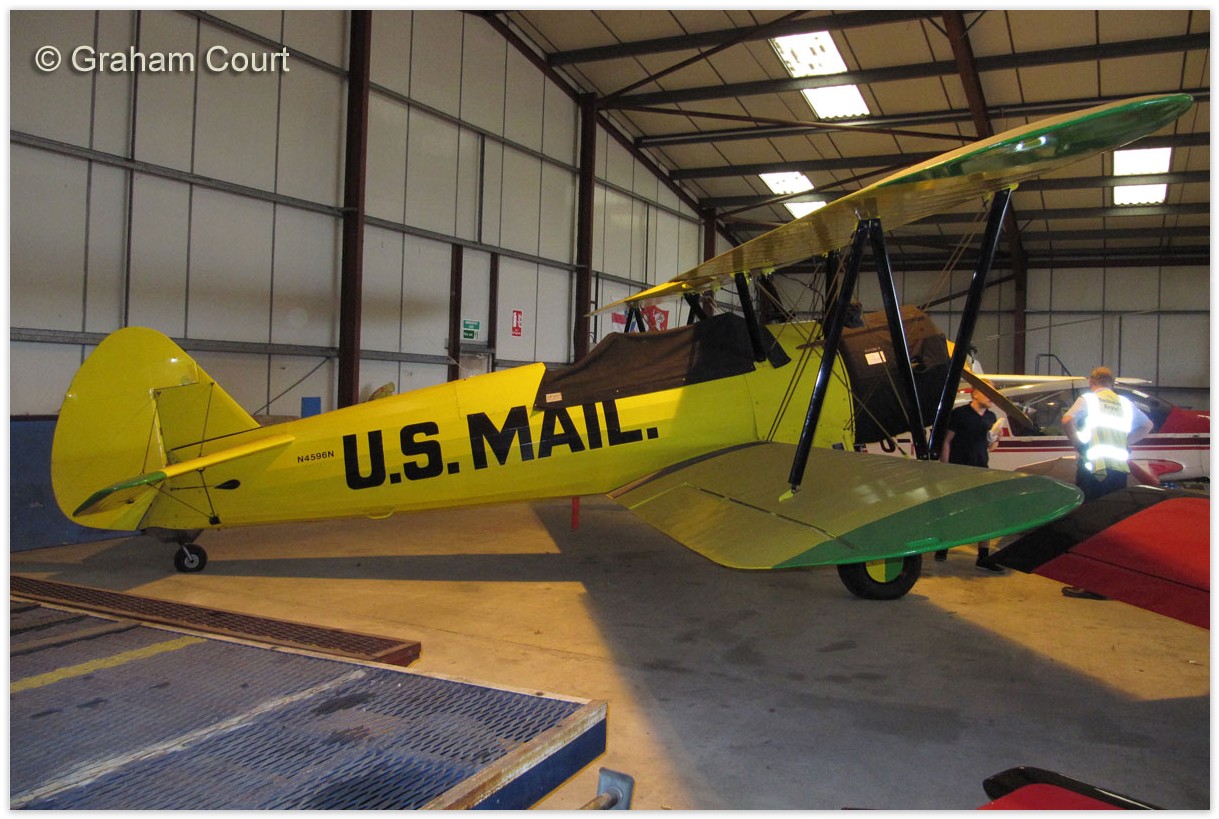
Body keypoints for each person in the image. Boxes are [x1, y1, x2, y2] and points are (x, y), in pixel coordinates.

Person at [1058, 365, 1154, 599]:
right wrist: (1125, 441)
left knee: (1088, 523)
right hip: (1118, 471)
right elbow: (1147, 425)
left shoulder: (1089, 400)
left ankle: (1090, 583)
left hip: (1094, 469)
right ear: (1112, 383)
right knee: (1110, 524)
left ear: (1092, 382)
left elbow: (1067, 419)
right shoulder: (1124, 404)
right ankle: (1107, 580)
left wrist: (1078, 443)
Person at [934, 382, 1003, 572]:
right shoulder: (960, 414)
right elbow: (947, 441)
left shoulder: (991, 417)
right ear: (975, 394)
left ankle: (983, 556)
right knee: (952, 511)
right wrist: (945, 467)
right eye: (987, 392)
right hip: (958, 469)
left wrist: (995, 439)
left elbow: (989, 447)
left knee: (986, 512)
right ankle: (943, 546)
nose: (990, 397)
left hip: (980, 469)